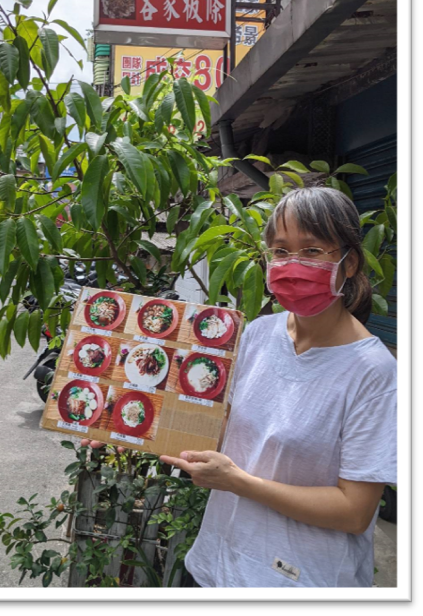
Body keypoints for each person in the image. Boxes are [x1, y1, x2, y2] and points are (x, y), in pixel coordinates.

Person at [157, 186, 397, 587]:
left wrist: (239, 483)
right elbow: (219, 424)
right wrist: (127, 428)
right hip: (218, 562)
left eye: (312, 250)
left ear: (349, 262)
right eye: (281, 251)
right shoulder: (258, 333)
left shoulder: (373, 372)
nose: (292, 263)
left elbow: (354, 512)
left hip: (298, 578)